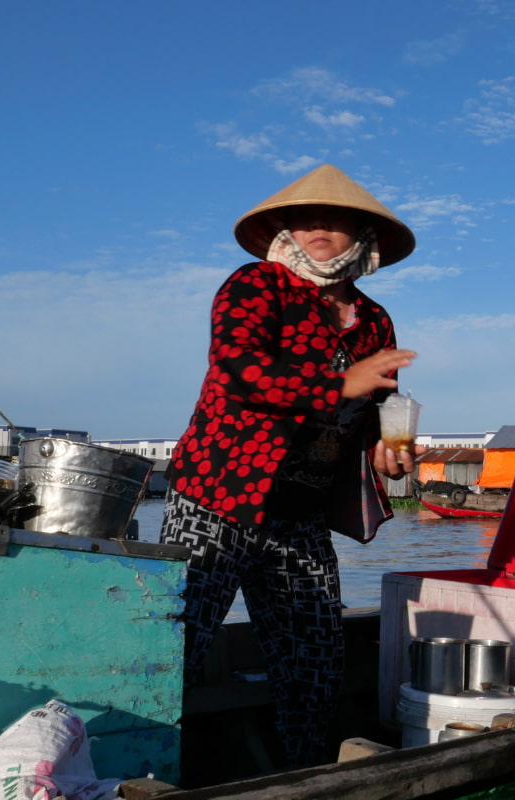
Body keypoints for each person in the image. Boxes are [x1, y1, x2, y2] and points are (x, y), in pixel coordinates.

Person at [160, 164, 425, 768]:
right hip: (218, 495)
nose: (319, 227)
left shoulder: (375, 321)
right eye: (305, 218)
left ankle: (304, 776)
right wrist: (340, 382)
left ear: (362, 233)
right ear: (285, 229)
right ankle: (146, 767)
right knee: (181, 642)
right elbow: (238, 371)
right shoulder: (256, 286)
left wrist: (387, 453)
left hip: (300, 512)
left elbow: (378, 410)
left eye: (335, 218)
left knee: (314, 659)